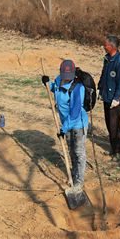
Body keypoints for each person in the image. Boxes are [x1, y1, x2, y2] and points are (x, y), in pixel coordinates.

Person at [42, 60, 89, 188]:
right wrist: (48, 83)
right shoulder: (59, 80)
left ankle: (79, 180)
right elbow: (57, 91)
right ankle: (73, 175)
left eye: (69, 77)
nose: (67, 79)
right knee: (71, 151)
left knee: (79, 152)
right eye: (65, 76)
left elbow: (74, 113)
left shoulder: (78, 88)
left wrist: (64, 129)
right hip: (66, 124)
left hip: (78, 125)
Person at [97, 35, 120, 161]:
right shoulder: (107, 59)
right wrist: (99, 87)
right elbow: (104, 74)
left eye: (105, 45)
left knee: (114, 125)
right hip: (107, 96)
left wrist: (117, 99)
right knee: (108, 124)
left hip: (115, 99)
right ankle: (113, 148)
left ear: (111, 46)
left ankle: (119, 151)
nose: (103, 47)